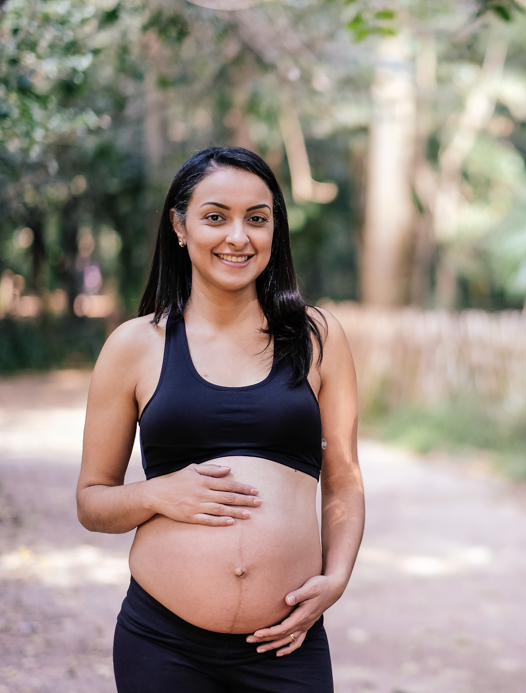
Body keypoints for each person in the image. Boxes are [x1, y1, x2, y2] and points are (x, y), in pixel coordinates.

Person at [76, 146, 364, 692]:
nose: (239, 237)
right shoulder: (135, 346)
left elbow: (344, 478)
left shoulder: (318, 336)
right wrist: (159, 495)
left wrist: (337, 578)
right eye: (216, 217)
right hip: (163, 644)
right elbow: (92, 502)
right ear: (179, 226)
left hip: (288, 641)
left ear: (274, 230)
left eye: (257, 219)